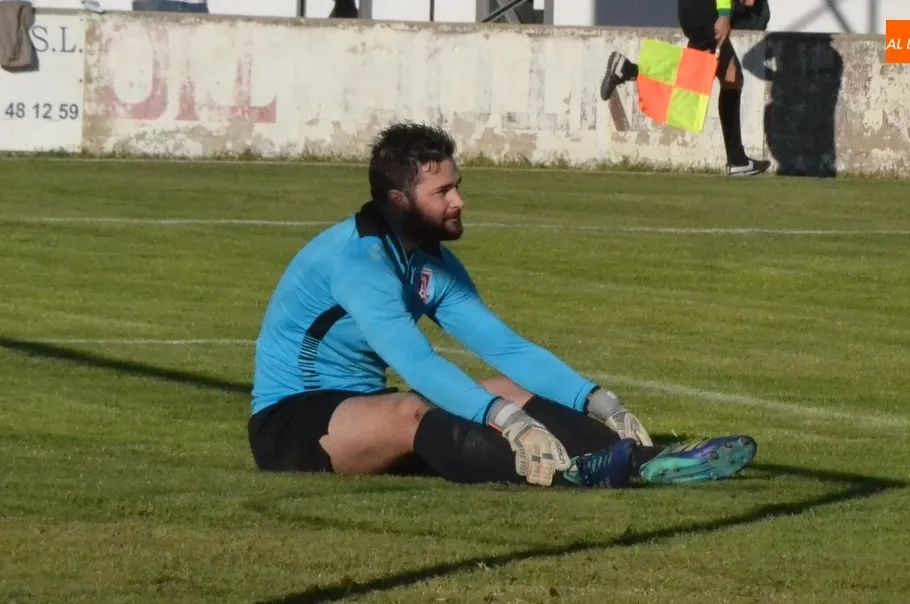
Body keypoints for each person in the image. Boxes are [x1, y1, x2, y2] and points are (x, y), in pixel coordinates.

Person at [248, 121, 758, 488]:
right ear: (400, 201)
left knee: (506, 388)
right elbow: (415, 361)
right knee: (414, 409)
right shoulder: (360, 261)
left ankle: (644, 461)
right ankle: (571, 474)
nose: (459, 201)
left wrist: (601, 402)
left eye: (458, 186)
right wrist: (508, 421)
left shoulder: (430, 262)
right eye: (443, 191)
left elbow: (505, 347)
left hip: (363, 411)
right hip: (292, 423)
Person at [599, 0, 771, 178]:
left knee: (729, 76)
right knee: (693, 81)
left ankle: (737, 161)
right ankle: (627, 69)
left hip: (694, 10)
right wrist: (724, 13)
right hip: (708, 11)